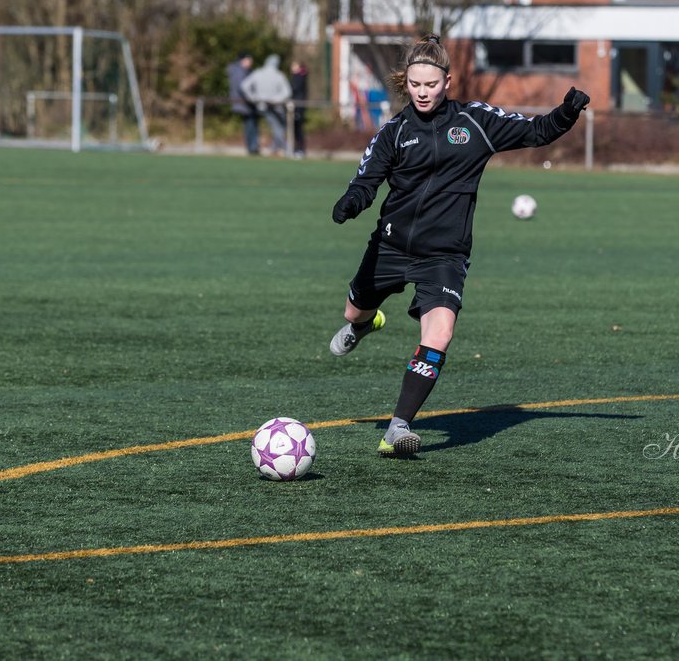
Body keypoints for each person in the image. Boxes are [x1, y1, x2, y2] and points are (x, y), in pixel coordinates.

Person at [328, 34, 590, 456]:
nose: (422, 92)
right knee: (353, 309)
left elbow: (535, 131)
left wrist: (565, 113)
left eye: (430, 84)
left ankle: (397, 428)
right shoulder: (393, 132)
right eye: (415, 85)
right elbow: (367, 179)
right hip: (392, 248)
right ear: (406, 82)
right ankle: (363, 325)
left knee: (441, 332)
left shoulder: (475, 122)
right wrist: (352, 202)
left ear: (447, 81)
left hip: (445, 256)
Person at [242, 53, 292, 156]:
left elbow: (244, 86)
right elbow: (287, 92)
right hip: (275, 106)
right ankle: (286, 148)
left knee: (279, 127)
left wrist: (253, 98)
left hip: (262, 105)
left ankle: (275, 147)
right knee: (278, 127)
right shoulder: (279, 75)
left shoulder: (258, 73)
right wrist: (275, 99)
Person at [227, 52, 259, 155]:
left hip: (246, 102)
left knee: (251, 124)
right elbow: (242, 88)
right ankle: (252, 147)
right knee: (250, 125)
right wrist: (252, 98)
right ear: (242, 60)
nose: (251, 62)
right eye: (248, 60)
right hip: (244, 102)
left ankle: (252, 147)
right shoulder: (239, 71)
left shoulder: (243, 70)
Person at [289, 60, 309, 158]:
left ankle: (300, 149)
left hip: (298, 106)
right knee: (296, 129)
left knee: (298, 129)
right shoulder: (299, 76)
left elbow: (294, 89)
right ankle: (297, 149)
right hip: (297, 105)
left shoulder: (299, 77)